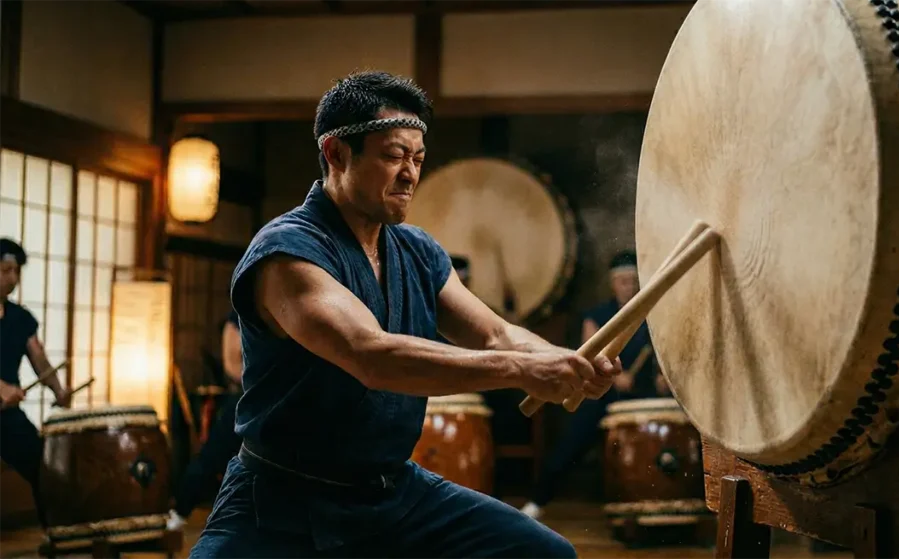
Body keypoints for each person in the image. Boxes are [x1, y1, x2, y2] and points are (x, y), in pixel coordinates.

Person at [188, 71, 621, 558]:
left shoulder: (418, 251)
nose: (410, 173)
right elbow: (371, 355)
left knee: (544, 554)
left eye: (417, 158)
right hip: (281, 503)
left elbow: (496, 334)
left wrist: (568, 361)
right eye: (393, 155)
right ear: (335, 153)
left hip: (391, 495)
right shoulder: (287, 252)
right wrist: (524, 370)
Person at [520, 250, 670, 520]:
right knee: (572, 440)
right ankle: (536, 501)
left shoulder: (654, 315)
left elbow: (664, 357)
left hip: (641, 394)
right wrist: (614, 377)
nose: (630, 287)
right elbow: (588, 357)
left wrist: (662, 377)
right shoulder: (598, 315)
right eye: (624, 281)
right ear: (613, 283)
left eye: (634, 281)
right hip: (603, 390)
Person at [0, 238, 72, 527]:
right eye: (5, 271)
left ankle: (56, 534)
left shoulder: (20, 319)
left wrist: (58, 389)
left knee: (42, 466)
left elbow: (39, 359)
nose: (13, 279)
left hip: (6, 416)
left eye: (16, 272)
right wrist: (2, 388)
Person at [167, 310, 244, 530]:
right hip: (247, 396)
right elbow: (233, 366)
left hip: (279, 400)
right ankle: (181, 510)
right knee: (211, 457)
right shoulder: (237, 318)